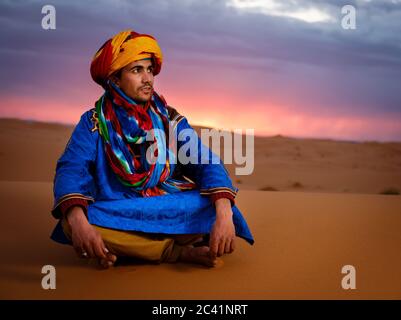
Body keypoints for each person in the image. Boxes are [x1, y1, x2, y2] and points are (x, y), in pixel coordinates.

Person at [50, 29, 254, 268]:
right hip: (120, 208)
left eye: (149, 70)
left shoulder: (169, 118)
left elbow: (205, 160)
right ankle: (172, 252)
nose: (148, 78)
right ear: (115, 79)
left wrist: (223, 213)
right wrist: (78, 222)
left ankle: (129, 249)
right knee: (74, 221)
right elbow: (71, 169)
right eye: (137, 70)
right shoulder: (94, 122)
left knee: (217, 206)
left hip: (167, 203)